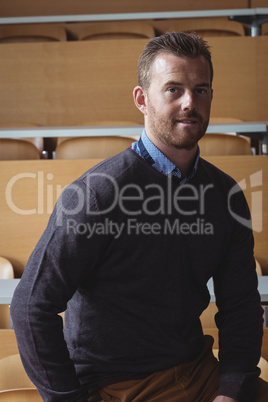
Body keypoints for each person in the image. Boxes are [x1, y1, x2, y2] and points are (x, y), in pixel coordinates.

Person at [10, 32, 268, 402]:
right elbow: (30, 306)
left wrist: (230, 390)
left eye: (201, 89)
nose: (189, 103)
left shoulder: (226, 195)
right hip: (115, 384)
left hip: (197, 370)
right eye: (173, 89)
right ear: (142, 99)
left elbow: (240, 305)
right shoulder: (95, 194)